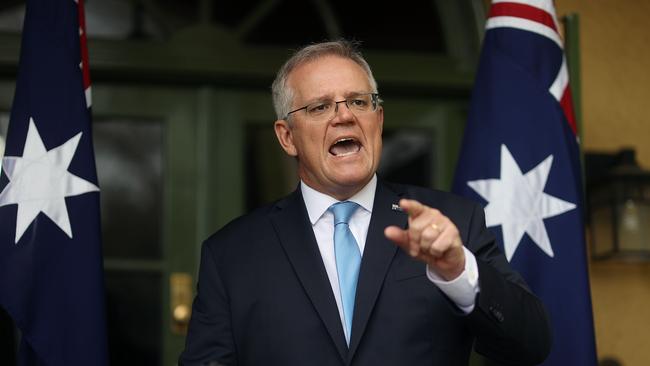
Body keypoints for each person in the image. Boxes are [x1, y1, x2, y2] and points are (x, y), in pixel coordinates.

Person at [179, 40, 551, 366]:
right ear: (287, 137)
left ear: (379, 118)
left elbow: (532, 344)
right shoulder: (232, 254)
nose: (344, 115)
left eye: (358, 101)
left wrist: (458, 271)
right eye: (320, 107)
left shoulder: (453, 223)